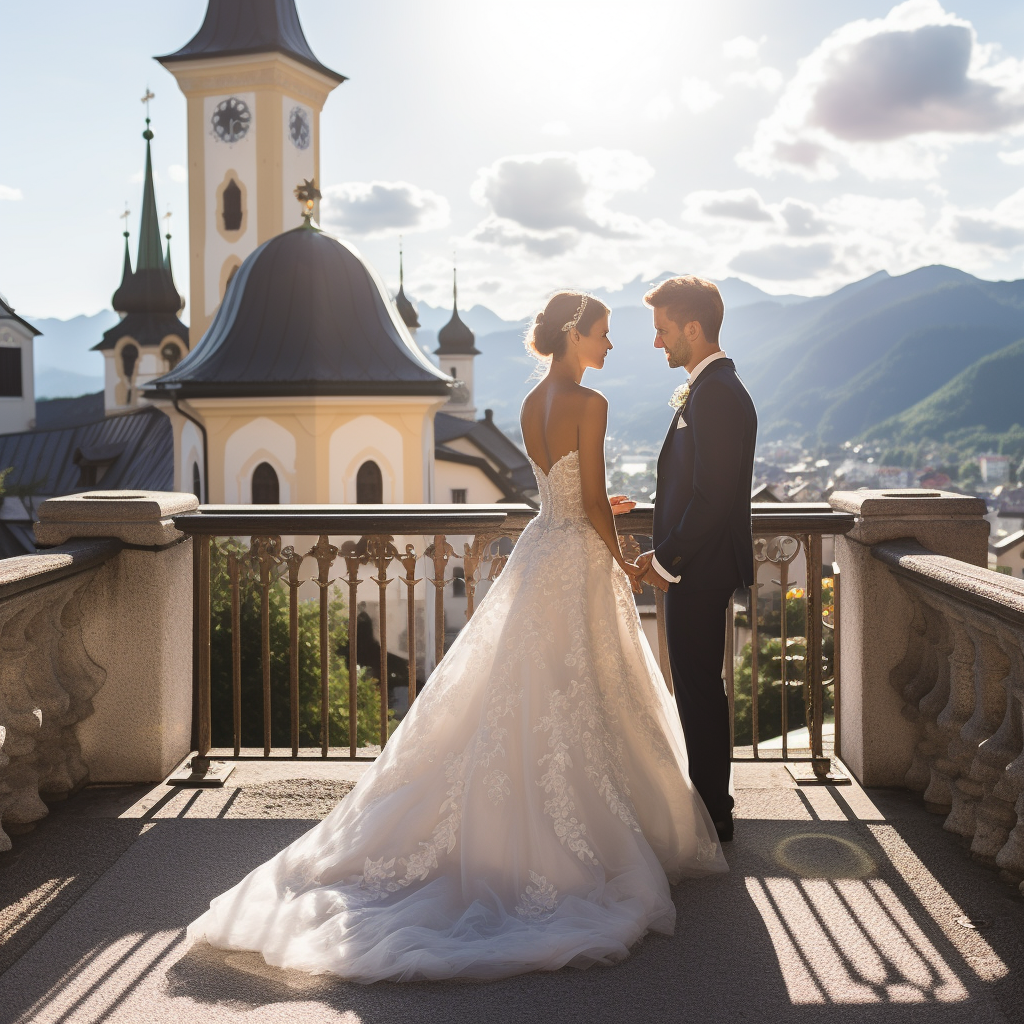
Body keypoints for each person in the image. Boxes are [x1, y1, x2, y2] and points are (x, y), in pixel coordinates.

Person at [187, 291, 726, 983]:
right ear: (573, 335)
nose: (611, 346)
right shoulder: (592, 405)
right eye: (603, 334)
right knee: (584, 690)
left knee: (522, 691)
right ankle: (591, 838)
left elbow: (564, 493)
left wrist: (596, 504)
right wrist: (626, 559)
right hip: (580, 562)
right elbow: (590, 501)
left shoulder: (533, 403)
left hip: (541, 555)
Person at [631, 277, 757, 843]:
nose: (658, 343)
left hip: (699, 569)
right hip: (697, 566)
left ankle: (713, 811)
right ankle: (710, 804)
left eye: (662, 331)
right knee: (699, 684)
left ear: (692, 328)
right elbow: (697, 486)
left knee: (701, 688)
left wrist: (666, 558)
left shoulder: (719, 394)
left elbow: (713, 496)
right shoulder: (708, 390)